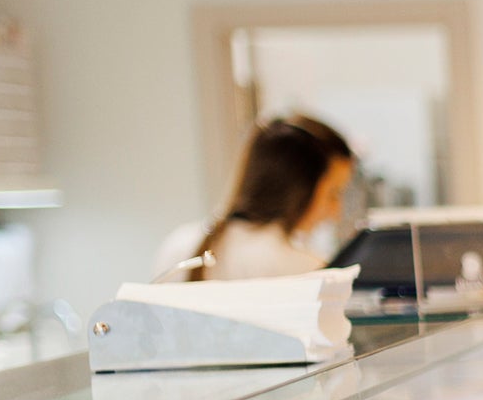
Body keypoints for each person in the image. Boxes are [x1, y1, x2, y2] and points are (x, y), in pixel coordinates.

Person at [151, 116, 357, 281]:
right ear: (299, 188)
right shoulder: (305, 270)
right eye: (333, 193)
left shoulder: (178, 246)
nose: (336, 212)